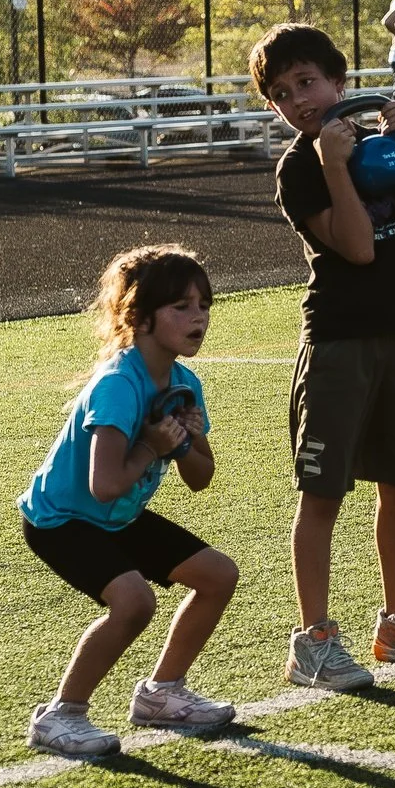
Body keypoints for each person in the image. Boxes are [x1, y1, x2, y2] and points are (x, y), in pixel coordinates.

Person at [253, 23, 395, 691]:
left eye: (307, 82)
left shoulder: (381, 144)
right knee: (322, 494)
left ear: (339, 82)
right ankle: (314, 640)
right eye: (281, 93)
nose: (298, 99)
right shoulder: (299, 166)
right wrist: (330, 160)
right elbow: (356, 246)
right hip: (338, 342)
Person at [17, 245, 241, 758]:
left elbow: (200, 478)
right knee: (135, 602)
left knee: (217, 575)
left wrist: (188, 441)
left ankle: (162, 694)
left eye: (204, 305)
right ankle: (60, 716)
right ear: (139, 318)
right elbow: (104, 484)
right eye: (182, 307)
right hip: (63, 519)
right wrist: (151, 447)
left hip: (117, 518)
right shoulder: (118, 386)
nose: (199, 317)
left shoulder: (184, 383)